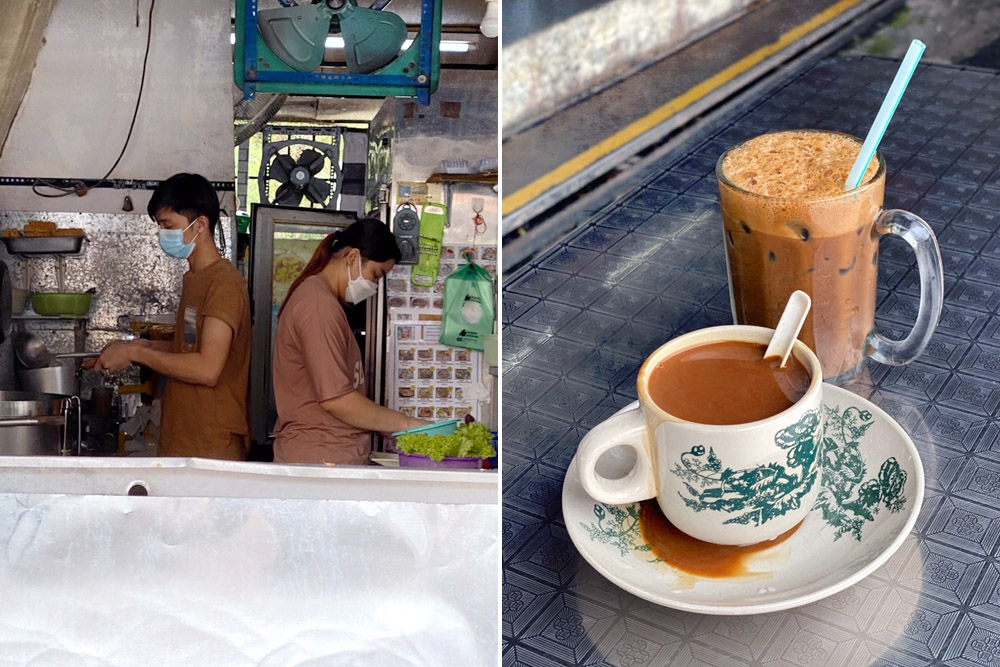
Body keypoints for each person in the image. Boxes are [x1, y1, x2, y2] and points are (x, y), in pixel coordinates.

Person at [92, 173, 251, 460]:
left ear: (200, 224)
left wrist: (135, 354)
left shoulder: (224, 284)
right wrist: (143, 346)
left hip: (210, 447)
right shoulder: (195, 279)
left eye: (169, 226)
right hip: (184, 438)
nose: (163, 235)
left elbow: (206, 368)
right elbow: (190, 348)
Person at [272, 218, 427, 465]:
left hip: (330, 456)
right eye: (376, 275)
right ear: (352, 258)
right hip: (320, 458)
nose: (374, 286)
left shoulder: (322, 301)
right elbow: (336, 399)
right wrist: (408, 425)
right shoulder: (318, 305)